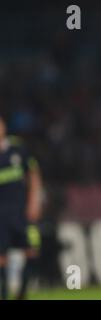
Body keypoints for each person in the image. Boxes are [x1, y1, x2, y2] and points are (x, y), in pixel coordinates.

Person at [0, 114, 43, 300]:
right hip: (0, 216)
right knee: (1, 258)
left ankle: (21, 295)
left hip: (21, 213)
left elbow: (33, 173)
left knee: (32, 251)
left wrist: (34, 202)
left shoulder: (17, 148)